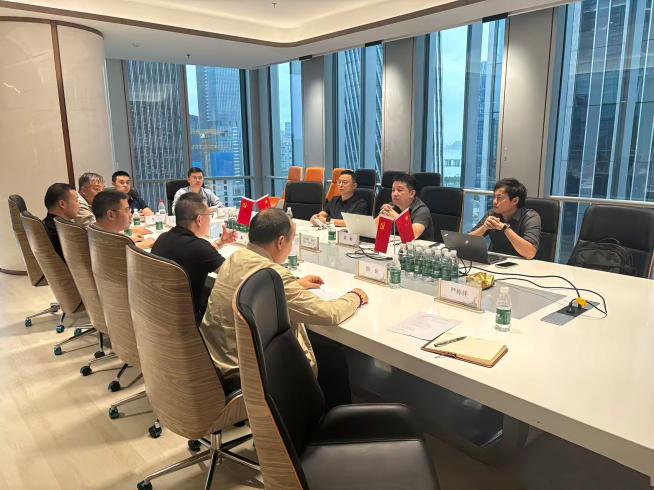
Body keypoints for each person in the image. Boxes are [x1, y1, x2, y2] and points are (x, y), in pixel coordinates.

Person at [200, 208, 368, 406]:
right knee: (331, 355)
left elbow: (252, 286)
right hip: (245, 373)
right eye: (291, 240)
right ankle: (323, 420)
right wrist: (355, 296)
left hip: (216, 361)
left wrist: (294, 285)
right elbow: (329, 314)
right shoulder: (273, 274)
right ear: (281, 242)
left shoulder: (236, 257)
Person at [151, 192, 236, 323]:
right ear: (199, 219)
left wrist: (220, 242)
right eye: (209, 216)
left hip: (158, 318)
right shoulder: (199, 247)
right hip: (186, 324)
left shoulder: (162, 238)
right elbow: (232, 274)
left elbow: (194, 254)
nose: (210, 220)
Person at [469, 178, 541, 259]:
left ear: (515, 200)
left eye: (499, 198)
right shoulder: (492, 213)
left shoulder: (530, 217)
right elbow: (466, 241)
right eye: (494, 197)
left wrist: (504, 228)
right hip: (495, 261)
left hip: (521, 263)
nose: (494, 201)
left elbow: (530, 253)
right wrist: (484, 228)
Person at [377, 173, 434, 241]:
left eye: (399, 190)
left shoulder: (422, 210)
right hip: (396, 244)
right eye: (393, 190)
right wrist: (381, 217)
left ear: (412, 193)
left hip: (417, 247)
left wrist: (396, 217)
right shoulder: (392, 206)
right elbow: (374, 230)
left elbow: (412, 235)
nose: (395, 194)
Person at [91, 189, 156, 249]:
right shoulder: (103, 244)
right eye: (127, 210)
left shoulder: (94, 230)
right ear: (110, 215)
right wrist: (143, 244)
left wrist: (126, 239)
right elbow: (113, 250)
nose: (131, 215)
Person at [43, 183, 80, 259]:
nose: (79, 205)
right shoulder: (65, 234)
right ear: (62, 204)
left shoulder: (45, 224)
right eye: (76, 201)